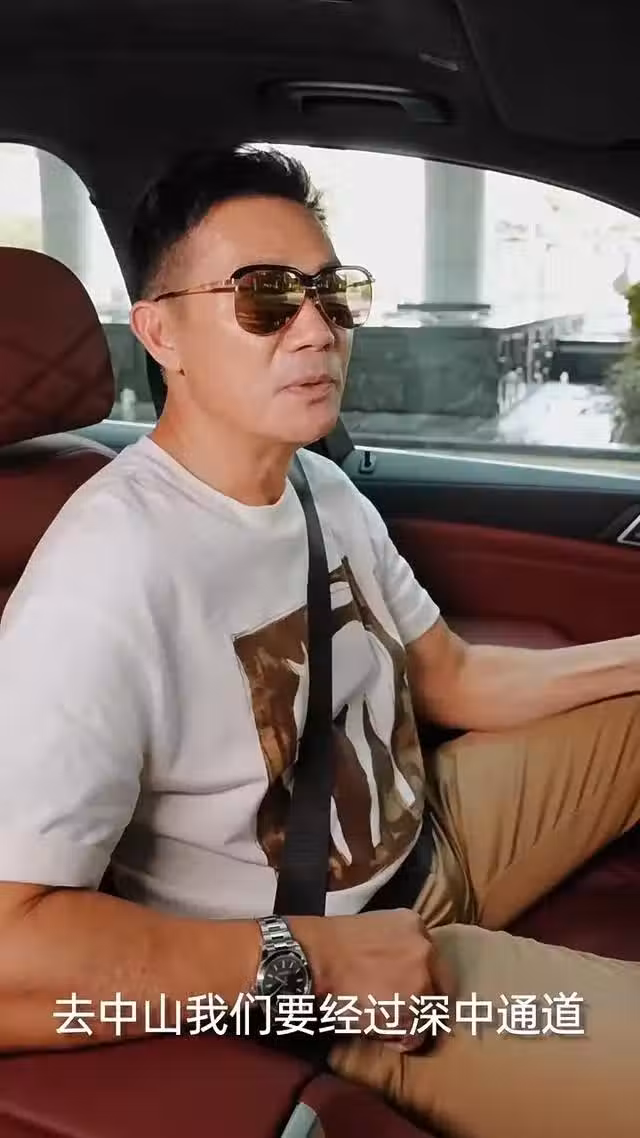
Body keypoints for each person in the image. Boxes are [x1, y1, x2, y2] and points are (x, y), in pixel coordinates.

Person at [0, 144, 637, 1138]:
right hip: (327, 974)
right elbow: (11, 947)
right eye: (264, 297)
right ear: (161, 332)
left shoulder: (318, 485)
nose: (317, 328)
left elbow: (454, 678)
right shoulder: (102, 577)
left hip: (429, 838)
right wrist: (314, 960)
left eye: (331, 293)